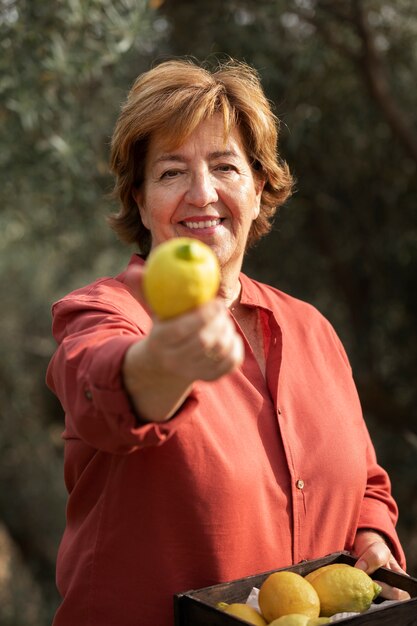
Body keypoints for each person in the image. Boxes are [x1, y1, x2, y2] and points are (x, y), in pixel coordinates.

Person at [46, 58, 408, 626]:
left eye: (225, 166)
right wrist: (164, 361)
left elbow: (364, 482)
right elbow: (99, 388)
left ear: (259, 185)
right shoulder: (104, 312)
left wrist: (370, 534)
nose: (201, 193)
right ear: (138, 199)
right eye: (170, 173)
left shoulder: (312, 329)